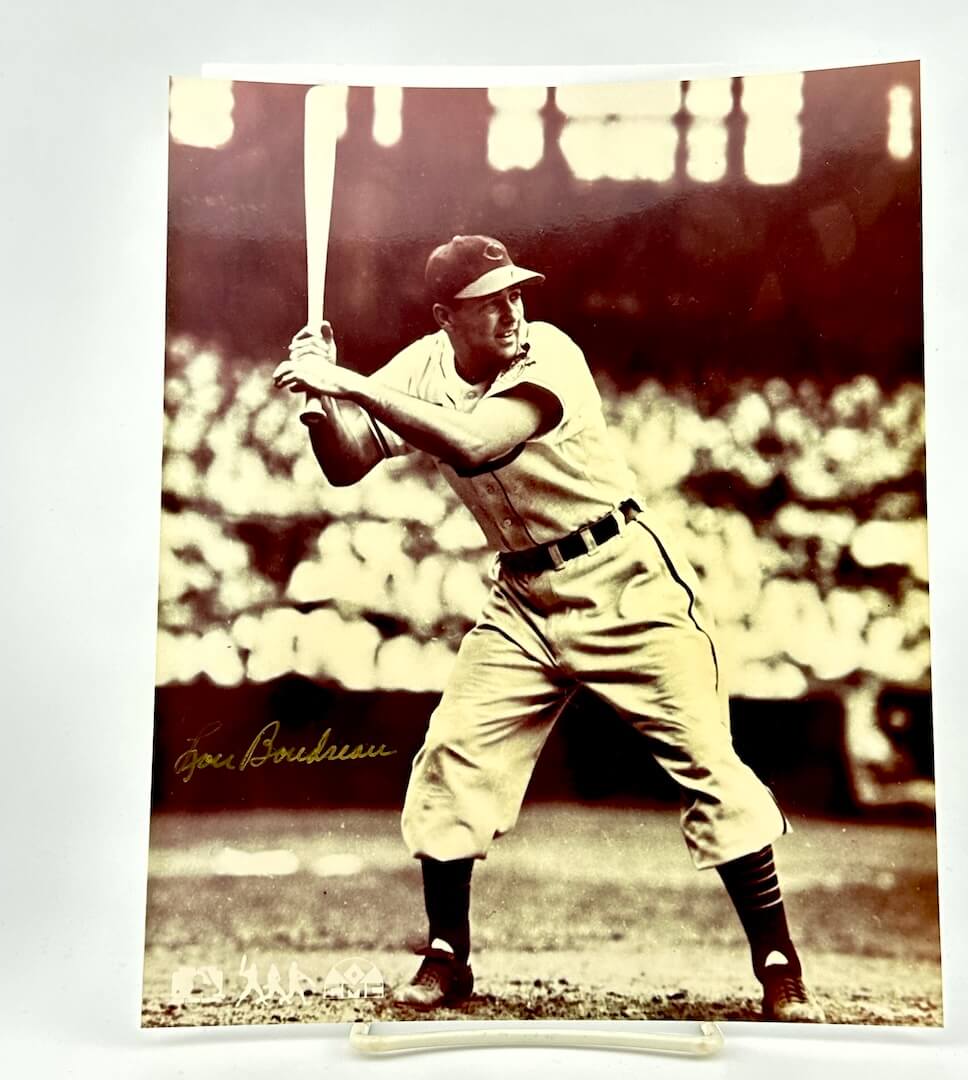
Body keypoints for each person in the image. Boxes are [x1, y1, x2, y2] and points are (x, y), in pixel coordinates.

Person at [272, 235, 824, 1022]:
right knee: (453, 755)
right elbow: (347, 462)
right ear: (444, 317)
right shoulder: (423, 365)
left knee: (709, 764)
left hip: (623, 580)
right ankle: (446, 956)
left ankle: (779, 965)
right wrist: (317, 404)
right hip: (522, 598)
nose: (510, 310)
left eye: (516, 294)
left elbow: (475, 441)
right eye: (489, 300)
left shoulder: (550, 353)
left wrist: (348, 381)